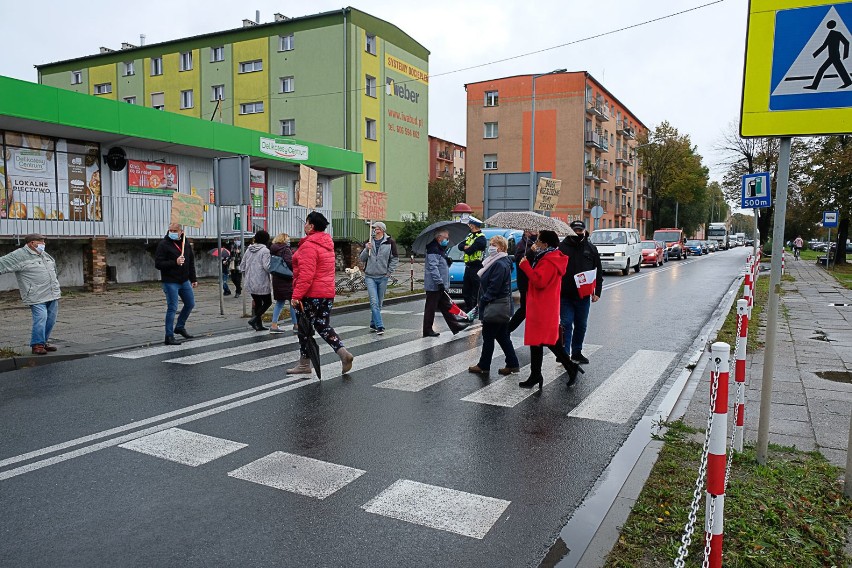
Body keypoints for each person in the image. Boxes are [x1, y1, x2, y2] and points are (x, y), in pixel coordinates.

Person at [288, 211, 354, 375]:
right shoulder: (327, 244)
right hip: (327, 293)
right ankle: (343, 353)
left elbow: (306, 275)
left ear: (311, 225)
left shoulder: (309, 246)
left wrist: (296, 296)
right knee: (322, 324)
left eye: (306, 222)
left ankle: (304, 364)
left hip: (310, 295)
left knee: (304, 329)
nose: (304, 225)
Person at [517, 230, 581, 389]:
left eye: (538, 241)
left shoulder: (549, 260)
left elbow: (539, 281)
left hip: (542, 307)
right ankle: (536, 375)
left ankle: (569, 368)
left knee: (549, 341)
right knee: (538, 342)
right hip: (543, 305)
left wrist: (525, 266)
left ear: (545, 244)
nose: (536, 244)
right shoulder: (547, 257)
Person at [0, 233, 62, 354]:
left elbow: (53, 269)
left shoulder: (44, 254)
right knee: (41, 318)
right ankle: (37, 345)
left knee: (51, 320)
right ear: (31, 243)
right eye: (41, 241)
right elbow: (2, 264)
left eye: (44, 241)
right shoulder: (19, 255)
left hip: (52, 293)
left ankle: (43, 342)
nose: (43, 244)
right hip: (35, 294)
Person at [468, 235, 520, 375]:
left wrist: (484, 300)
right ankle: (513, 363)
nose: (491, 247)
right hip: (500, 305)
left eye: (494, 245)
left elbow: (494, 287)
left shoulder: (499, 263)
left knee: (488, 336)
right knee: (502, 336)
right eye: (490, 244)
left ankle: (484, 365)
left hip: (495, 304)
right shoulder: (496, 261)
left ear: (502, 248)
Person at [558, 220, 603, 365]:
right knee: (566, 323)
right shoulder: (561, 247)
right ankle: (564, 353)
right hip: (565, 294)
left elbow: (598, 270)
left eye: (580, 230)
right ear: (570, 230)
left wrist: (598, 292)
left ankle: (577, 352)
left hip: (583, 295)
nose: (577, 233)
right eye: (575, 230)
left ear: (584, 231)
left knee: (581, 325)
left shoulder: (590, 248)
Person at [154, 223, 197, 346]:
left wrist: (193, 278)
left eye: (174, 230)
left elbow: (190, 261)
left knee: (190, 304)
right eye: (170, 230)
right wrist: (175, 262)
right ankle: (169, 335)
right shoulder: (164, 244)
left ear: (181, 232)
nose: (172, 232)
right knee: (172, 307)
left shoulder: (185, 243)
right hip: (170, 281)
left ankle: (180, 326)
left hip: (184, 280)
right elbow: (158, 263)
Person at [423, 229, 469, 337]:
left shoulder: (439, 249)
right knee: (431, 307)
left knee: (446, 306)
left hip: (440, 284)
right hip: (434, 285)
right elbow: (433, 267)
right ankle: (427, 330)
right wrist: (439, 282)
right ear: (439, 238)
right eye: (446, 238)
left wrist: (447, 262)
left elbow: (440, 266)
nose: (447, 240)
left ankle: (455, 326)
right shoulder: (433, 249)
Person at [359, 221, 399, 335]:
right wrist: (366, 249)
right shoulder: (369, 241)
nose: (373, 230)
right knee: (374, 301)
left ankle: (373, 323)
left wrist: (389, 272)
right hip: (370, 276)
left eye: (375, 228)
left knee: (379, 302)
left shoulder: (390, 242)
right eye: (373, 228)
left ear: (381, 230)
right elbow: (362, 258)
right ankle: (380, 326)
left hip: (383, 276)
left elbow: (394, 258)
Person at [240, 230, 272, 331]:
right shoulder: (265, 251)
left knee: (258, 303)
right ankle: (255, 319)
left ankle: (259, 325)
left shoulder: (249, 249)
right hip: (261, 281)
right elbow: (267, 267)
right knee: (268, 302)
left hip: (250, 281)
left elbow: (242, 265)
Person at [507, 230, 537, 333]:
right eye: (533, 231)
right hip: (525, 282)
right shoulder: (521, 245)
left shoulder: (534, 243)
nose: (535, 233)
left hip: (533, 281)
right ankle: (507, 330)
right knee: (524, 309)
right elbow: (520, 260)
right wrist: (531, 251)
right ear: (527, 231)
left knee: (532, 310)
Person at [457, 216, 487, 312]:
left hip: (476, 267)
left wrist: (467, 247)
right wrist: (467, 247)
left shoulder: (481, 238)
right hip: (468, 267)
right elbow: (460, 246)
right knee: (466, 290)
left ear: (473, 226)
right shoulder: (470, 236)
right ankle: (469, 307)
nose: (469, 226)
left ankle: (476, 309)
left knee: (476, 290)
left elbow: (470, 251)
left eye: (470, 224)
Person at [269, 233, 297, 333]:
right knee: (292, 302)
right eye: (288, 240)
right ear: (284, 240)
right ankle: (296, 324)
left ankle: (274, 325)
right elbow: (290, 263)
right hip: (287, 278)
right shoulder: (285, 249)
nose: (289, 241)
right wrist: (296, 271)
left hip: (277, 278)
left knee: (279, 302)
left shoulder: (273, 249)